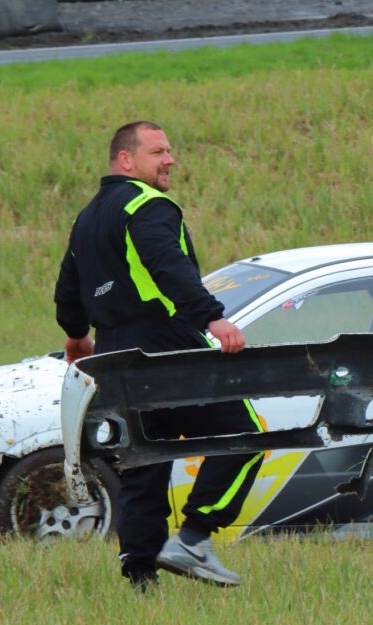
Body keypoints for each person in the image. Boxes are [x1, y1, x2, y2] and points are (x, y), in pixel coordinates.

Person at [54, 121, 263, 590]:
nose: (170, 160)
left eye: (170, 150)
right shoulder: (147, 205)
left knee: (145, 461)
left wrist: (75, 339)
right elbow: (165, 264)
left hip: (113, 354)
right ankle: (193, 538)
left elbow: (68, 289)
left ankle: (141, 576)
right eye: (158, 152)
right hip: (167, 346)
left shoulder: (86, 219)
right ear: (126, 161)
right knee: (245, 438)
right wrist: (212, 317)